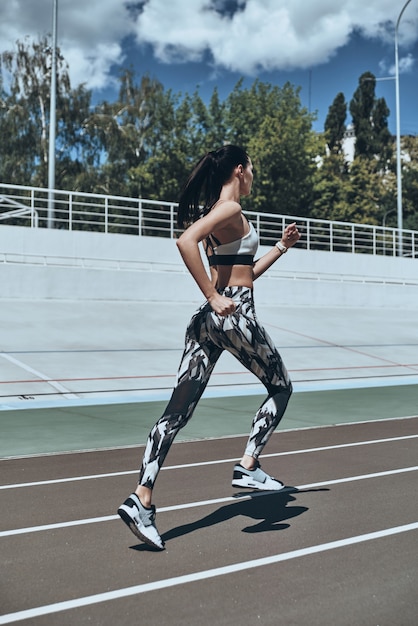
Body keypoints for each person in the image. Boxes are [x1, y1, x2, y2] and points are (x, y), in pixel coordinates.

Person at [118, 145, 301, 550]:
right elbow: (186, 242)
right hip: (233, 314)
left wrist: (280, 248)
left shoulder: (223, 217)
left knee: (175, 413)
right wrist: (214, 296)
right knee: (282, 388)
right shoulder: (230, 210)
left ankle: (142, 497)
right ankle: (248, 465)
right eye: (252, 169)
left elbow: (242, 272)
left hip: (207, 324)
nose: (253, 176)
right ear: (239, 170)